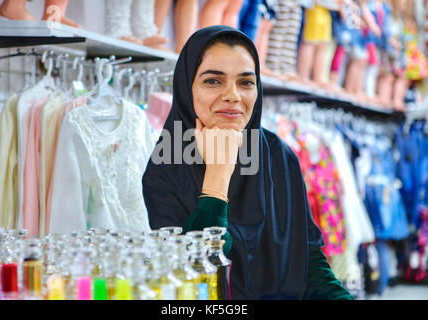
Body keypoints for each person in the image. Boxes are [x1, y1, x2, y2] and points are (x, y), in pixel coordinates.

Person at [142, 25, 354, 300]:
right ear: (186, 87)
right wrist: (218, 176)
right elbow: (196, 281)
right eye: (213, 81)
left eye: (245, 82)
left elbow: (310, 265)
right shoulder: (165, 169)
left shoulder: (278, 155)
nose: (233, 95)